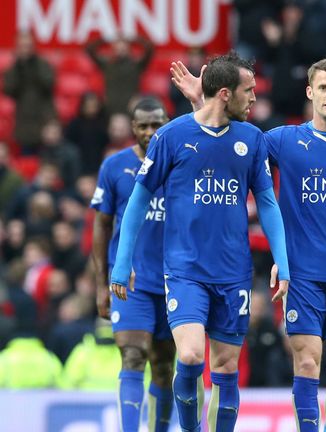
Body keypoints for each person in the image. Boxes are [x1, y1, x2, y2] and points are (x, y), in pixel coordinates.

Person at [172, 56, 326, 432]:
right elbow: (229, 139)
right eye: (324, 88)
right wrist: (202, 101)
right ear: (310, 92)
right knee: (308, 364)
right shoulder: (284, 140)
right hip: (302, 276)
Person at [110, 52, 290, 432]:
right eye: (249, 91)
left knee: (224, 368)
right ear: (225, 94)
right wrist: (122, 263)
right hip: (184, 270)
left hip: (233, 273)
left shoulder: (252, 140)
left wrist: (282, 262)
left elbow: (269, 204)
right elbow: (138, 201)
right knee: (190, 357)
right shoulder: (171, 137)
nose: (255, 98)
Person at [90, 97, 175, 432]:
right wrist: (101, 283)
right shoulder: (114, 166)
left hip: (173, 280)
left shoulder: (182, 165)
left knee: (165, 365)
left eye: (157, 124)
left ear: (168, 123)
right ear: (133, 128)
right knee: (133, 355)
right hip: (131, 282)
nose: (151, 132)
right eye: (143, 125)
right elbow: (101, 225)